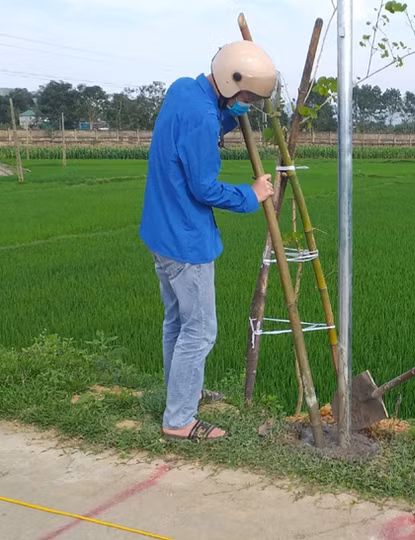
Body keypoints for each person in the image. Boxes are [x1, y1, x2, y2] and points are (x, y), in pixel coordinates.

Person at [139, 40, 277, 443]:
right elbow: (204, 188)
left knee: (177, 323)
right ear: (230, 83)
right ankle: (180, 418)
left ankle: (184, 392)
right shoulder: (203, 118)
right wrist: (251, 194)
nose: (247, 105)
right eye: (246, 97)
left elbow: (208, 122)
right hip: (185, 239)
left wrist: (229, 117)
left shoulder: (184, 88)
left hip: (159, 230)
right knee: (200, 331)